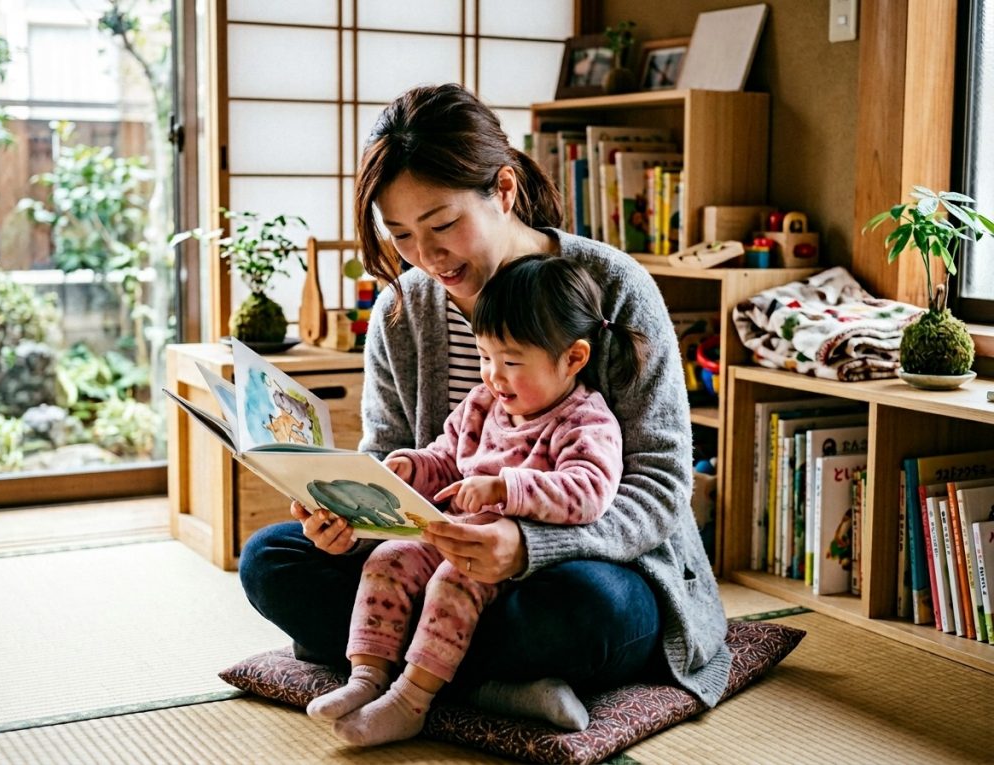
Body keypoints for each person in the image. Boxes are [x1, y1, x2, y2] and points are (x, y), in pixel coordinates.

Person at [239, 82, 731, 736]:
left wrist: (528, 545)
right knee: (271, 560)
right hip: (437, 553)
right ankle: (497, 682)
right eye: (402, 234)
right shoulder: (403, 310)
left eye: (443, 224)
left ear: (502, 190)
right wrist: (350, 515)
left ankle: (408, 663)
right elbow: (388, 456)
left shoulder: (612, 286)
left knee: (590, 612)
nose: (426, 255)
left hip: (591, 564)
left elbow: (662, 484)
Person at [305, 254, 644, 745]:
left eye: (510, 362)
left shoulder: (586, 421)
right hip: (452, 530)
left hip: (527, 564)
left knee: (456, 578)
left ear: (573, 358)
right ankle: (367, 677)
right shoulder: (484, 402)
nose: (493, 376)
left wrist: (508, 489)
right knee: (387, 558)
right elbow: (447, 456)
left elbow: (590, 492)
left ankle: (412, 699)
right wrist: (407, 469)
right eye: (485, 357)